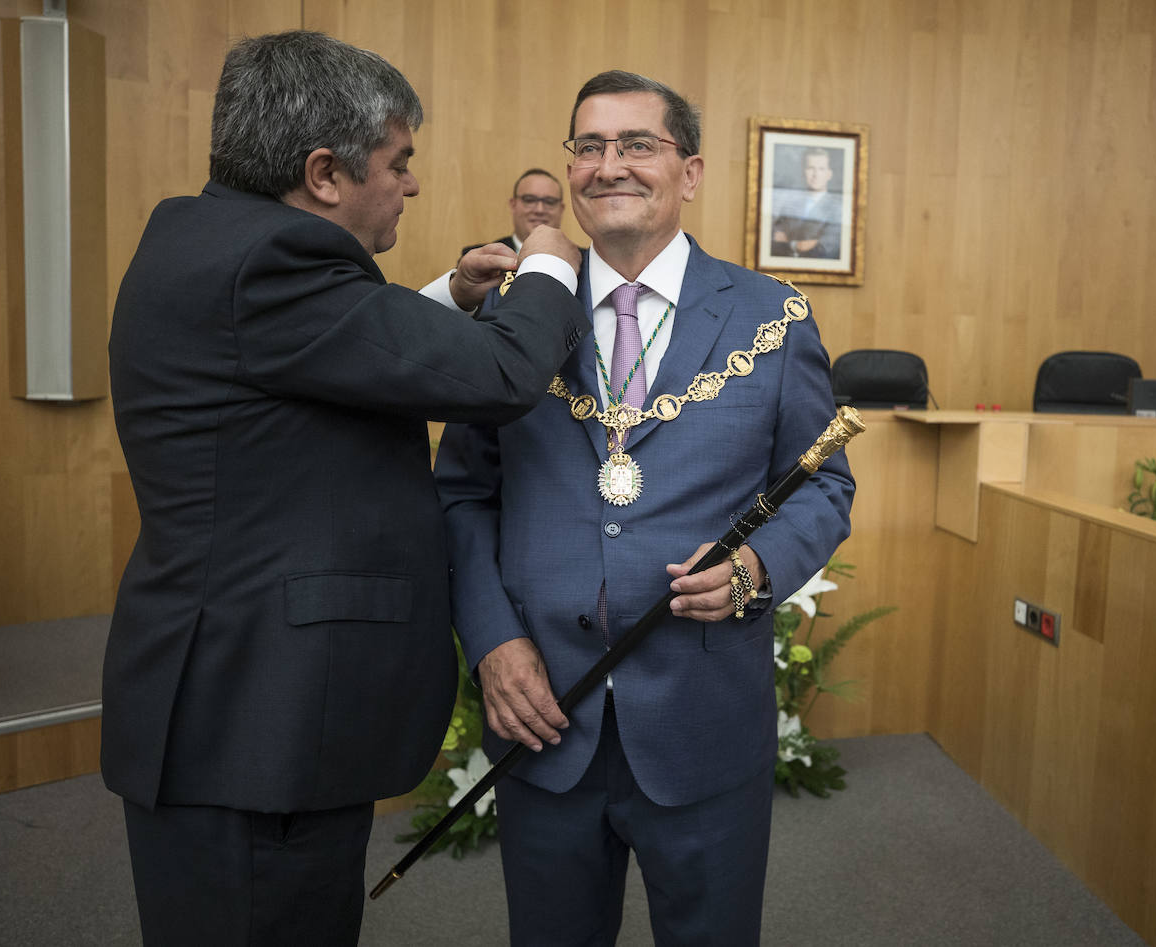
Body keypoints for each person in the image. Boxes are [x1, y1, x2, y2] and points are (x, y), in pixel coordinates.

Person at [102, 30, 584, 947]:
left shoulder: (210, 236)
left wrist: (452, 296)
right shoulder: (273, 262)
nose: (412, 184)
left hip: (233, 707)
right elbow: (502, 376)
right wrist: (551, 260)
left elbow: (324, 361)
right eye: (399, 162)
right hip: (256, 729)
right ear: (324, 173)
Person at [434, 71, 854, 945]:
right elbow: (464, 495)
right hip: (543, 715)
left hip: (705, 723)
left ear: (689, 172)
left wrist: (756, 567)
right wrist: (494, 641)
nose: (609, 165)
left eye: (637, 144)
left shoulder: (773, 317)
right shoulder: (514, 315)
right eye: (589, 147)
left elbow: (823, 483)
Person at [460, 168, 566, 256]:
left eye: (550, 202)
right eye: (529, 200)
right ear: (513, 205)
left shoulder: (576, 260)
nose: (540, 210)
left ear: (561, 209)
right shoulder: (480, 258)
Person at [770, 146, 842, 259]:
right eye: (811, 168)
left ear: (829, 174)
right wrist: (800, 245)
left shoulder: (837, 208)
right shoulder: (790, 205)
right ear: (803, 172)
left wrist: (789, 243)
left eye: (821, 169)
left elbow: (823, 248)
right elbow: (774, 241)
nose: (815, 175)